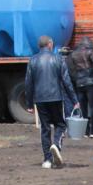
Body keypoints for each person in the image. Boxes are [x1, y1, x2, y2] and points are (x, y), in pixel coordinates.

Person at [25, 35, 77, 168]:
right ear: (49, 44)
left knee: (45, 128)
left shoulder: (33, 60)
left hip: (40, 99)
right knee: (60, 125)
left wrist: (29, 104)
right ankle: (56, 146)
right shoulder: (58, 59)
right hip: (56, 97)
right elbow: (66, 81)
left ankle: (47, 160)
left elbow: (28, 83)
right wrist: (74, 100)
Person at [67, 36, 93, 138]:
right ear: (88, 45)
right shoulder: (90, 52)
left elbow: (71, 69)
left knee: (83, 108)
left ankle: (86, 131)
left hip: (79, 83)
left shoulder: (73, 54)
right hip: (91, 82)